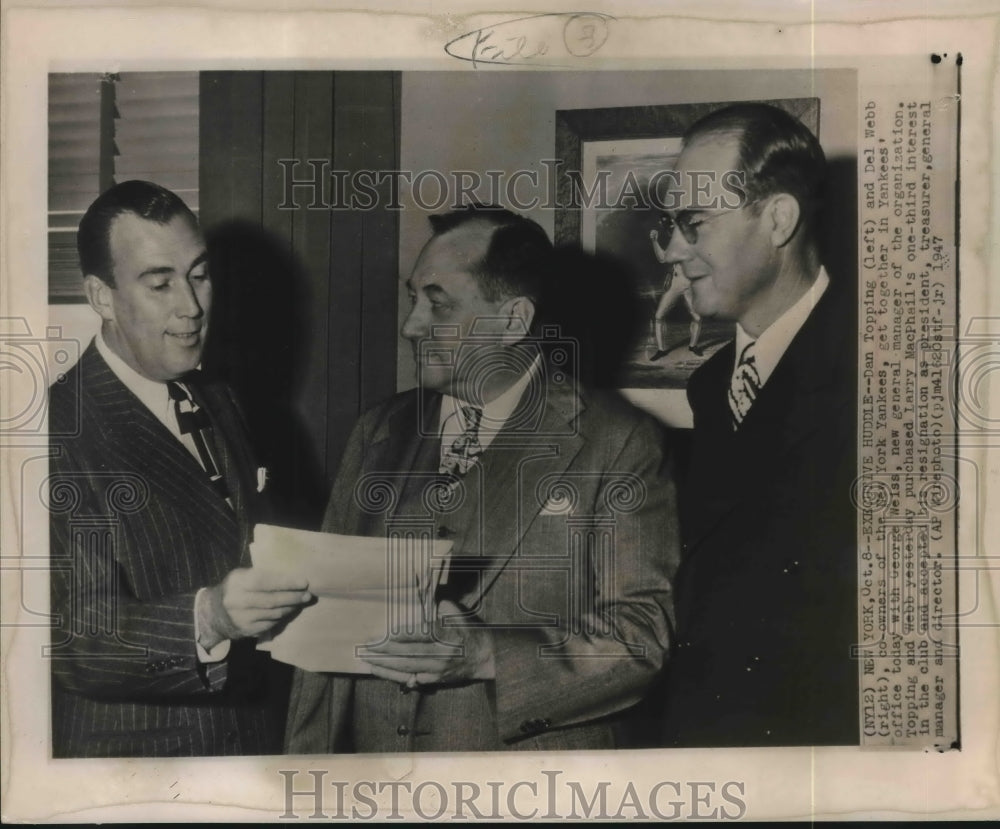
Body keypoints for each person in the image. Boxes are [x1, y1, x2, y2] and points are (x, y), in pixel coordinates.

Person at [285, 205, 680, 752]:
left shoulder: (620, 442)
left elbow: (642, 639)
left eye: (437, 304)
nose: (410, 326)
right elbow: (323, 635)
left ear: (514, 319)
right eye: (412, 298)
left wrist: (487, 654)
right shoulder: (379, 428)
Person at [48, 180, 313, 757]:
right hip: (135, 771)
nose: (190, 306)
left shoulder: (218, 398)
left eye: (198, 274)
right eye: (159, 282)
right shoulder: (54, 432)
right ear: (101, 296)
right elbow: (74, 640)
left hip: (249, 749)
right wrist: (210, 618)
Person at [656, 103, 859, 745]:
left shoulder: (885, 369)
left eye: (695, 225)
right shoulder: (710, 384)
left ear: (777, 219)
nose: (675, 253)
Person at [648, 228, 703, 359]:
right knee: (659, 316)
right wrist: (654, 241)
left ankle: (693, 346)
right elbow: (662, 258)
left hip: (690, 285)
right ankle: (661, 350)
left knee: (698, 318)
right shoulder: (676, 245)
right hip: (676, 283)